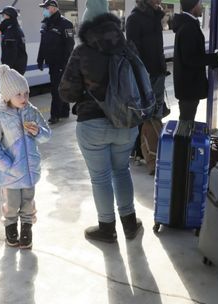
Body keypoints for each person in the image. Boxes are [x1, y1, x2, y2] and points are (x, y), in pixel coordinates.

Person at [59, 0, 143, 243]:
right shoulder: (127, 48)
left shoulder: (82, 52)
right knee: (122, 170)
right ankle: (129, 224)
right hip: (126, 124)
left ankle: (107, 228)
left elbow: (67, 93)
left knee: (101, 178)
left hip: (92, 124)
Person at [0, 65, 51, 250]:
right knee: (12, 204)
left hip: (29, 170)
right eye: (18, 94)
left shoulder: (32, 111)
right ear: (7, 96)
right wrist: (6, 165)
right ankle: (11, 228)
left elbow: (46, 135)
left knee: (28, 203)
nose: (24, 98)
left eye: (26, 93)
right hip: (10, 173)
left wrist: (38, 132)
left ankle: (27, 229)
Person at [126, 0, 168, 162]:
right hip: (145, 75)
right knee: (143, 113)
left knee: (156, 114)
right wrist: (141, 76)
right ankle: (139, 150)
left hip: (158, 73)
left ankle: (153, 147)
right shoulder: (134, 19)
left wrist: (163, 67)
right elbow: (132, 51)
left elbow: (158, 47)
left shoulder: (155, 18)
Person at [172, 0, 218, 121]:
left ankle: (184, 139)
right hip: (189, 86)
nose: (202, 7)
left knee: (187, 118)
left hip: (187, 85)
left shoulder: (187, 24)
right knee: (186, 121)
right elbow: (190, 59)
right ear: (193, 6)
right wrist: (215, 57)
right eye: (200, 4)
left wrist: (214, 57)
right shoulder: (188, 27)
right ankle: (182, 140)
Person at [37, 0, 75, 124]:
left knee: (55, 88)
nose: (44, 10)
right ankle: (64, 111)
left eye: (45, 8)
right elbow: (43, 43)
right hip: (51, 62)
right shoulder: (45, 24)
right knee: (60, 86)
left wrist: (64, 62)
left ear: (53, 8)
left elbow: (70, 44)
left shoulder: (66, 24)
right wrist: (40, 58)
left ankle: (55, 115)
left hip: (60, 62)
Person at [0, 6, 28, 75]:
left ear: (8, 16)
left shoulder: (11, 31)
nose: (2, 17)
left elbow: (10, 53)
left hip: (14, 68)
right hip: (18, 66)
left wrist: (6, 69)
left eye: (3, 15)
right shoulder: (15, 27)